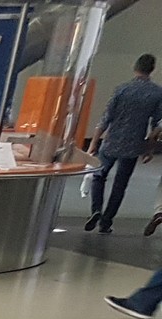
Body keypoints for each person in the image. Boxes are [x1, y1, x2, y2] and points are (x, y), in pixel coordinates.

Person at [85, 54, 162, 234]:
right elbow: (157, 124)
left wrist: (93, 143)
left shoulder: (122, 89)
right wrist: (149, 149)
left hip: (111, 141)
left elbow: (106, 118)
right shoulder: (157, 93)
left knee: (99, 176)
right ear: (152, 70)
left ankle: (96, 210)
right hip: (133, 145)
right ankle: (106, 222)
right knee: (120, 184)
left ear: (135, 68)